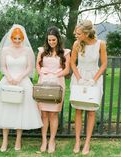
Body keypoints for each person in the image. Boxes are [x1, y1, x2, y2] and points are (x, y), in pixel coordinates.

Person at [0, 24, 43, 152]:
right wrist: (9, 77)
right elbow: (3, 66)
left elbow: (29, 68)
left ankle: (18, 140)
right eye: (15, 38)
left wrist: (19, 78)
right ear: (11, 38)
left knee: (21, 111)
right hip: (8, 81)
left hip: (23, 81)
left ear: (23, 38)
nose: (17, 41)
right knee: (6, 110)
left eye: (19, 39)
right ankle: (4, 140)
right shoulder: (5, 50)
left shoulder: (27, 51)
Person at [70, 20, 107, 155]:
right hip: (79, 77)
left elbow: (103, 64)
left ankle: (87, 142)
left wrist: (94, 80)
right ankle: (77, 141)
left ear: (86, 33)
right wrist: (79, 78)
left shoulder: (100, 44)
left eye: (78, 33)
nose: (76, 35)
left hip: (94, 78)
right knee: (78, 110)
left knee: (91, 111)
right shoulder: (76, 44)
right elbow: (72, 63)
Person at [36, 26, 70, 153]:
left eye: (54, 40)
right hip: (44, 83)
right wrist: (44, 73)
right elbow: (38, 67)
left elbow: (67, 69)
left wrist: (55, 74)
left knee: (53, 113)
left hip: (57, 83)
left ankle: (52, 140)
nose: (51, 42)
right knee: (44, 113)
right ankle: (44, 140)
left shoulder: (65, 52)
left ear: (58, 39)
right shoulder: (42, 51)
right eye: (49, 40)